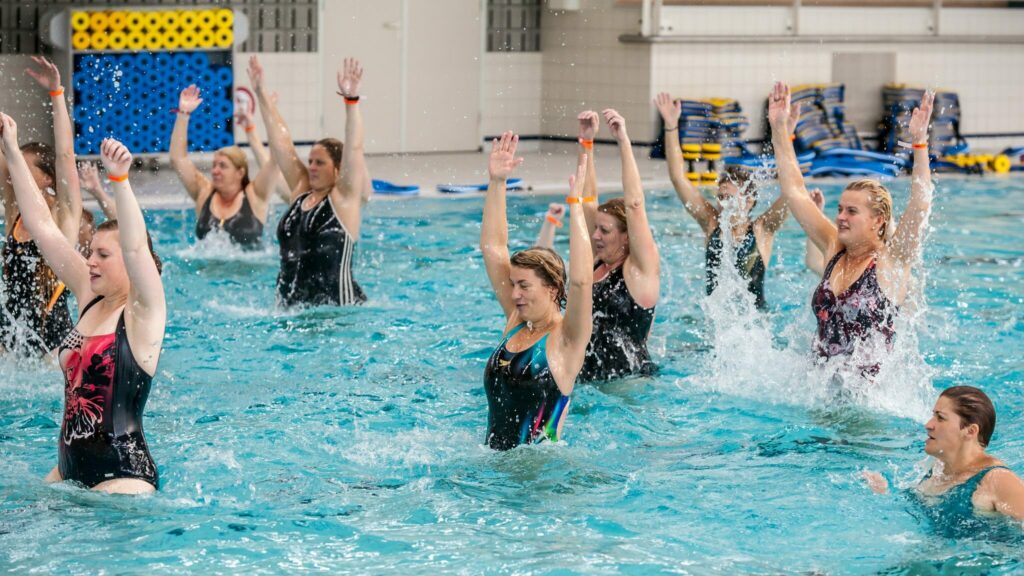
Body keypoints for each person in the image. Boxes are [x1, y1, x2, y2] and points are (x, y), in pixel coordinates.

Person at [3, 118, 164, 494]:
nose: (90, 260)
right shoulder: (90, 299)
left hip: (123, 478)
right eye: (91, 252)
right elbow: (42, 225)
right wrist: (10, 148)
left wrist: (120, 182)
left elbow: (137, 246)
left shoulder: (143, 314)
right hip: (67, 471)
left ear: (129, 263)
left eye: (103, 254)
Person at [769, 82, 935, 371]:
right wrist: (779, 129)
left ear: (878, 220)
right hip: (819, 391)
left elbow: (920, 204)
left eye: (852, 211)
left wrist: (919, 144)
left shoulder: (892, 259)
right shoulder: (834, 246)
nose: (841, 217)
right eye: (840, 209)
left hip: (866, 404)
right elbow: (795, 191)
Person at [480, 131, 593, 450]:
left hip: (539, 482)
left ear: (554, 288)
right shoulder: (517, 321)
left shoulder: (567, 338)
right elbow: (493, 247)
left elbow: (583, 280)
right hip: (495, 469)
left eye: (524, 286)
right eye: (513, 284)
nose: (514, 294)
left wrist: (577, 206)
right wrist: (497, 182)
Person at [248, 56, 372, 306]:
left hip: (338, 313)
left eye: (320, 163)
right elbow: (282, 143)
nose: (312, 167)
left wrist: (351, 103)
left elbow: (355, 148)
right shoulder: (302, 192)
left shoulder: (343, 200)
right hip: (292, 310)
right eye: (311, 161)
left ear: (338, 170)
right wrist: (260, 93)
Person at [655, 93, 789, 310]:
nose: (723, 203)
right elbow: (678, 178)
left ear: (748, 201)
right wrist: (671, 127)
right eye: (721, 197)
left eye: (730, 197)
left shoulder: (763, 229)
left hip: (755, 327)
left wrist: (782, 131)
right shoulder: (711, 223)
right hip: (716, 326)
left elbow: (792, 191)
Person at [0, 57, 80, 355]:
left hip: (53, 338)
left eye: (25, 164)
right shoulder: (14, 211)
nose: (14, 169)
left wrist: (57, 95)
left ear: (47, 178)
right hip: (8, 333)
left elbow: (65, 157)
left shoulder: (63, 216)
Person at [864, 386, 1024, 533]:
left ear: (970, 431)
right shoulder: (937, 468)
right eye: (933, 416)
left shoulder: (997, 480)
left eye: (940, 418)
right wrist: (883, 494)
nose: (928, 424)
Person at [575, 109, 660, 382]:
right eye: (596, 228)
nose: (596, 235)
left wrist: (623, 140)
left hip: (627, 384)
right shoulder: (597, 261)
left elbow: (635, 205)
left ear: (626, 236)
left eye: (605, 230)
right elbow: (587, 199)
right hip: (585, 376)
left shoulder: (639, 271)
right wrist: (586, 142)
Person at [170, 85, 279, 248]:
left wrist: (268, 111)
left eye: (223, 166)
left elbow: (276, 160)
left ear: (240, 172)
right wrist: (183, 114)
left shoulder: (255, 195)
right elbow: (178, 159)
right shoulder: (204, 192)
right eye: (214, 165)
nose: (215, 171)